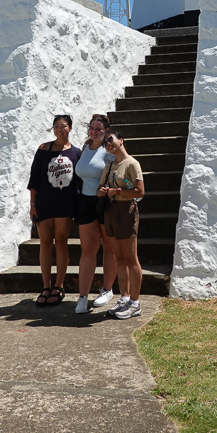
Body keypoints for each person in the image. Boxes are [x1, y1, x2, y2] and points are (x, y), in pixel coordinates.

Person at [27, 114, 81, 306]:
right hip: (44, 202)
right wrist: (33, 204)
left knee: (61, 243)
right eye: (56, 126)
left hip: (65, 203)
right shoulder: (43, 149)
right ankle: (45, 286)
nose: (60, 129)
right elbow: (34, 179)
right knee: (45, 243)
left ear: (70, 128)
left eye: (63, 126)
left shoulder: (76, 153)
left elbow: (79, 181)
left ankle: (59, 285)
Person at [73, 114, 118, 314]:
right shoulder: (84, 148)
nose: (95, 131)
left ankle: (107, 290)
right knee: (88, 249)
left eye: (99, 129)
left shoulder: (109, 150)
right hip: (85, 201)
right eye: (92, 128)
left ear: (106, 130)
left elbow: (120, 171)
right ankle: (82, 297)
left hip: (106, 202)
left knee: (109, 245)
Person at [98, 130, 145, 320]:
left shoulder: (132, 163)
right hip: (110, 211)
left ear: (121, 140)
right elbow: (99, 189)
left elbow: (140, 192)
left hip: (126, 211)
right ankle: (124, 298)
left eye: (110, 139)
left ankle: (135, 303)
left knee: (131, 258)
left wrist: (117, 191)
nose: (108, 144)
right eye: (105, 143)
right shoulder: (109, 166)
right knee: (119, 258)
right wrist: (102, 191)